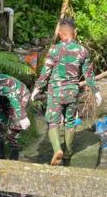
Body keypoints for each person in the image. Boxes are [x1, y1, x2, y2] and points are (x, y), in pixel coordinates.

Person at [31, 18, 100, 166]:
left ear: (61, 34)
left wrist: (36, 89)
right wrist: (96, 92)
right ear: (74, 33)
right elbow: (89, 75)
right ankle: (68, 152)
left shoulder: (54, 50)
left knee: (52, 122)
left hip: (56, 92)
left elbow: (45, 73)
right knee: (70, 121)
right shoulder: (83, 51)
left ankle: (57, 150)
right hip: (73, 92)